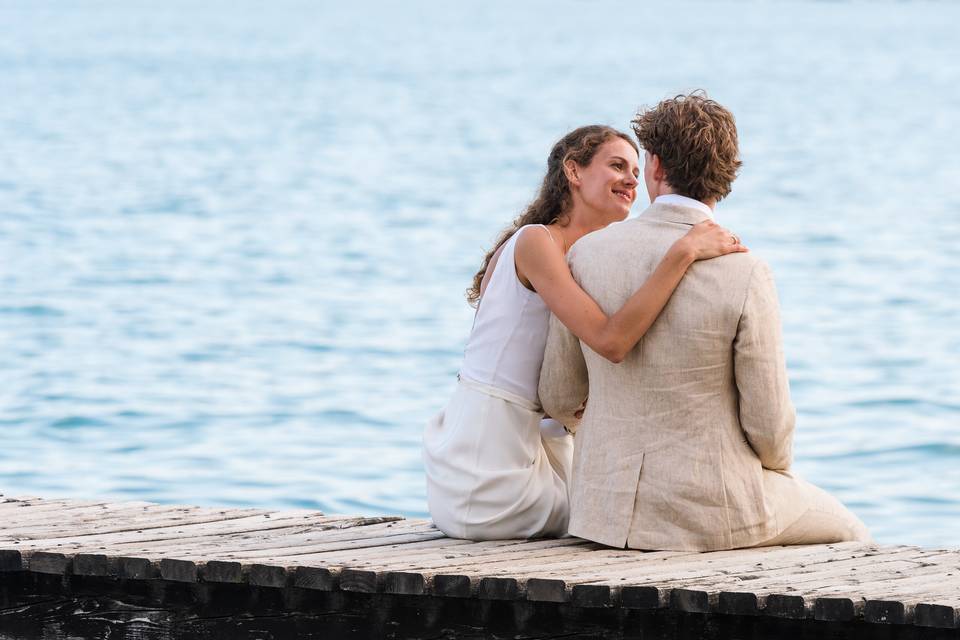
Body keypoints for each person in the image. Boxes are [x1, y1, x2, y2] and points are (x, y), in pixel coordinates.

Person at [539, 93, 872, 551]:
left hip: (603, 512)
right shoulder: (746, 269)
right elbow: (769, 425)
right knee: (854, 533)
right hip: (712, 512)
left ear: (654, 166)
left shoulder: (585, 255)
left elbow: (559, 396)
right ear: (727, 173)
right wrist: (773, 468)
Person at [423, 125, 746, 541]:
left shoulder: (587, 258)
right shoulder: (535, 243)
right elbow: (611, 341)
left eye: (635, 169)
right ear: (573, 172)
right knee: (634, 516)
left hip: (534, 448)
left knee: (641, 507)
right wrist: (683, 252)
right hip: (488, 469)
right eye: (616, 166)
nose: (631, 178)